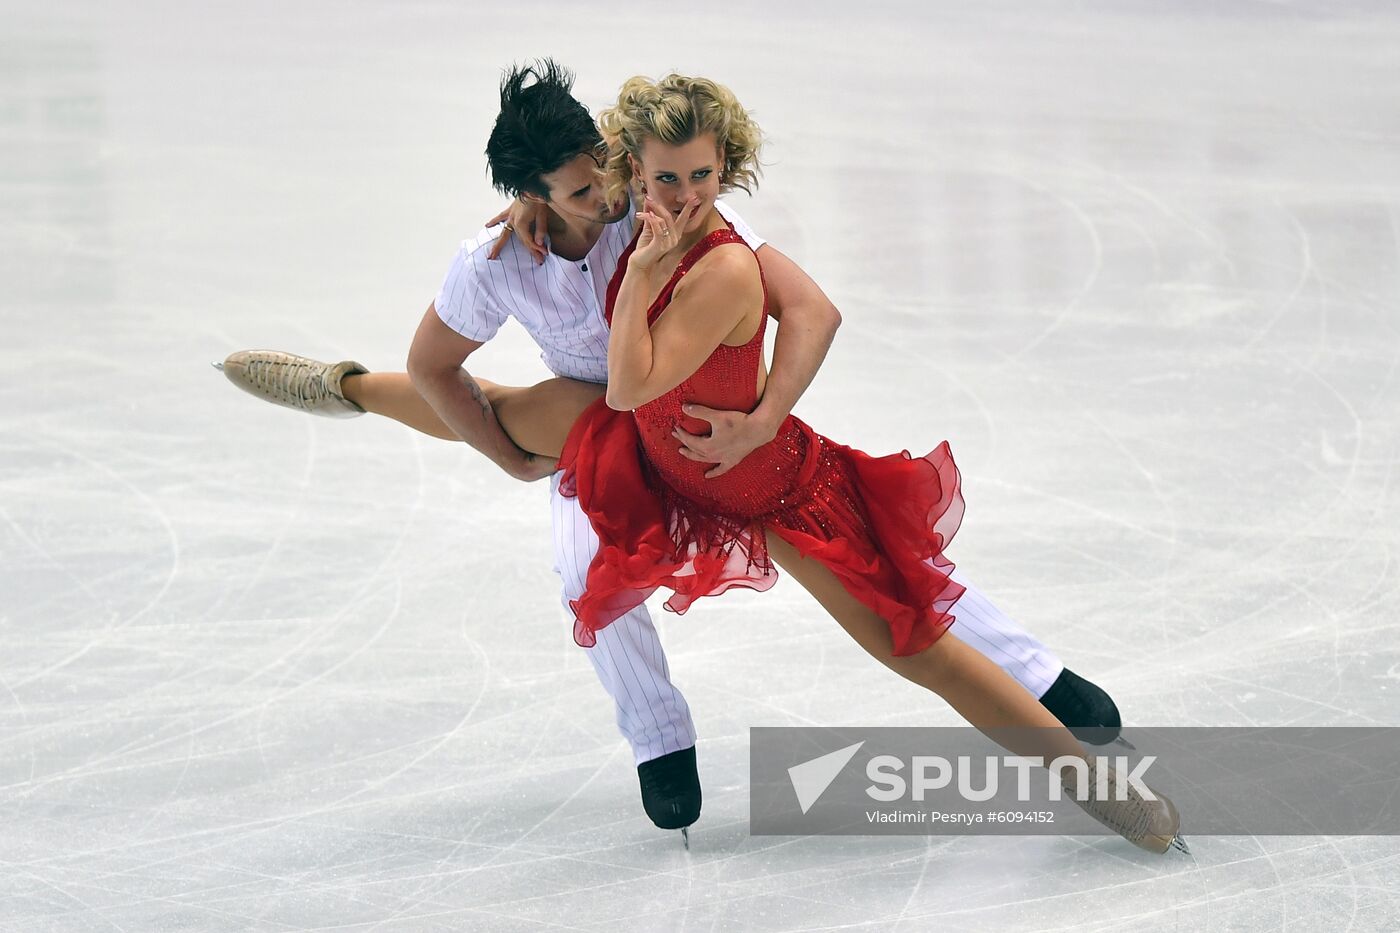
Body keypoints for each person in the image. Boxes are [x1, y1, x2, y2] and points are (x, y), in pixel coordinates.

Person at [219, 60, 1125, 836]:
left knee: (877, 557)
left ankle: (1034, 674)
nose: (610, 198)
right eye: (580, 193)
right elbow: (438, 368)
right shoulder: (500, 257)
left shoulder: (663, 197)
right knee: (581, 562)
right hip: (605, 427)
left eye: (606, 177)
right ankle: (659, 738)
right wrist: (505, 460)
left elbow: (806, 307)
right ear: (534, 195)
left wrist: (765, 416)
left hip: (703, 435)